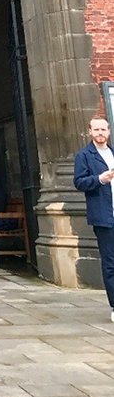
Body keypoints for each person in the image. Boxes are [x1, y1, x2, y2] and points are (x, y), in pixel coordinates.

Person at [74, 115, 114, 321]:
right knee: (111, 262)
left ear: (109, 131)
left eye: (103, 129)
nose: (100, 133)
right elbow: (79, 182)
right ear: (90, 132)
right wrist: (100, 178)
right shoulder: (85, 156)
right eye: (96, 130)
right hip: (104, 216)